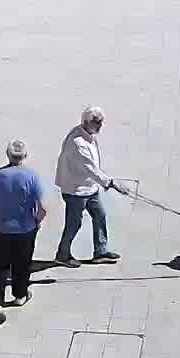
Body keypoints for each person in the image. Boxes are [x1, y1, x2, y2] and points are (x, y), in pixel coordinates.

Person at [0, 139, 47, 323]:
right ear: (24, 156)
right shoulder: (32, 177)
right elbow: (43, 208)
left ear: (8, 155)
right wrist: (37, 222)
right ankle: (19, 296)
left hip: (1, 230)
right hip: (25, 230)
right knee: (22, 265)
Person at [55, 107, 128, 267]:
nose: (100, 126)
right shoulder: (78, 143)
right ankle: (63, 254)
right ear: (87, 122)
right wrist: (112, 183)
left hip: (89, 187)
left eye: (101, 122)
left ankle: (100, 252)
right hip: (76, 191)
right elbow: (91, 169)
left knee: (99, 215)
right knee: (74, 224)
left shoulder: (87, 134)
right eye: (97, 123)